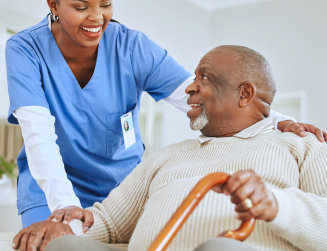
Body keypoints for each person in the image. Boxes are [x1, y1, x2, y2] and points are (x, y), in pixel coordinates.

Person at [5, 0, 323, 229]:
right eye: (81, 6)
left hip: (121, 191)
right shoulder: (25, 49)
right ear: (53, 5)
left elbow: (199, 97)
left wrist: (275, 119)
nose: (97, 17)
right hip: (50, 188)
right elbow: (38, 134)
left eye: (106, 4)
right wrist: (64, 205)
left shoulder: (132, 48)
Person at [13, 46, 327, 251]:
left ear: (244, 94)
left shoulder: (301, 145)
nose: (189, 87)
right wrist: (60, 229)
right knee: (62, 247)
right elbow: (108, 222)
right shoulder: (168, 155)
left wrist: (277, 205)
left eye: (204, 78)